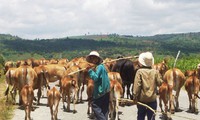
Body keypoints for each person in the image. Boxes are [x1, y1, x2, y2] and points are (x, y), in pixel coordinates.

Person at [133, 52, 163, 120]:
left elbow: (137, 86)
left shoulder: (139, 72)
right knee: (152, 117)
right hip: (152, 99)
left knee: (140, 116)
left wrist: (135, 96)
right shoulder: (155, 72)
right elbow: (160, 83)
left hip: (142, 99)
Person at [86, 51, 110, 120]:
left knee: (95, 105)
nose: (93, 60)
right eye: (91, 58)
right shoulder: (102, 67)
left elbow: (96, 78)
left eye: (94, 58)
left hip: (100, 92)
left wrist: (90, 71)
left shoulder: (99, 67)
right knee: (104, 110)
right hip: (106, 92)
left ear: (97, 59)